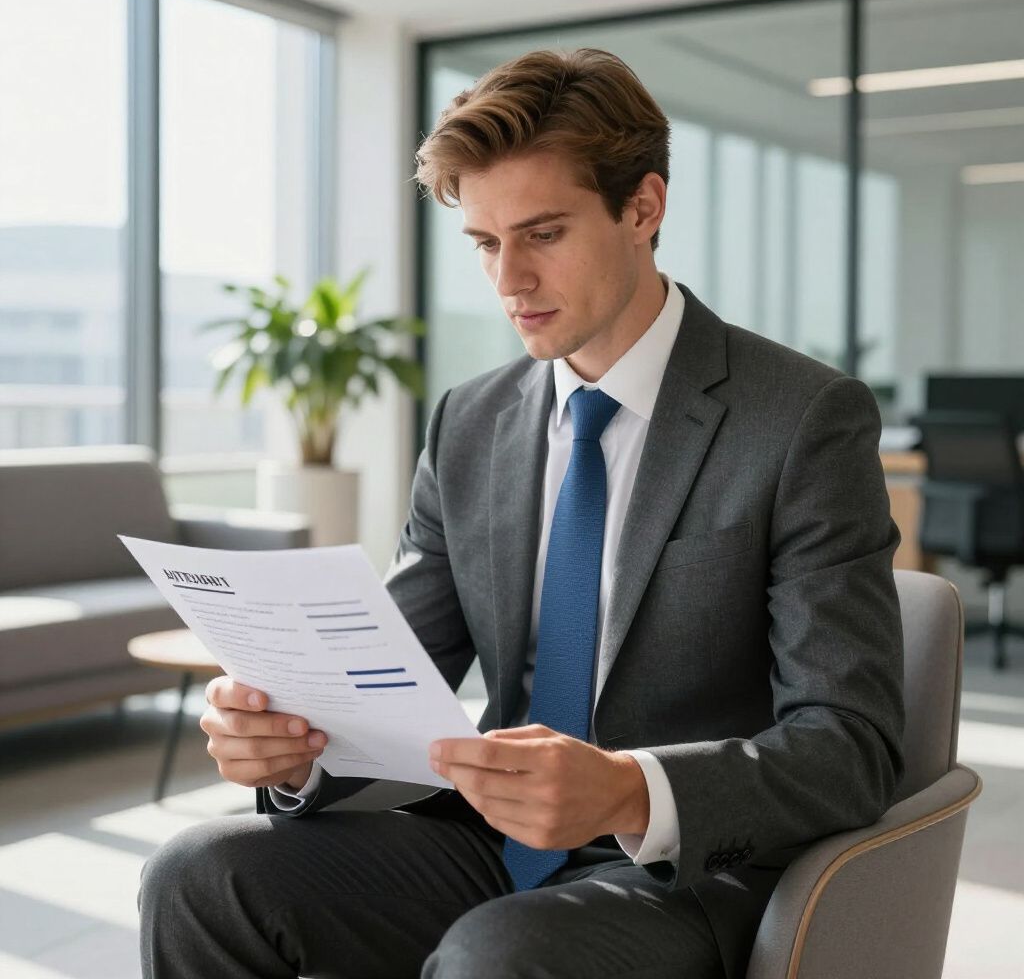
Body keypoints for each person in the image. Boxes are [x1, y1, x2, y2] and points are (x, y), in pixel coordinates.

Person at [139, 48, 904, 979]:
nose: (509, 281)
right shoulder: (471, 422)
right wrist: (291, 746)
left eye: (542, 234)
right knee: (196, 872)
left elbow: (850, 746)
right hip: (488, 841)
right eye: (484, 243)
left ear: (643, 209)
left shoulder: (800, 419)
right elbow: (389, 680)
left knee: (495, 956)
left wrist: (629, 789)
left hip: (679, 871)